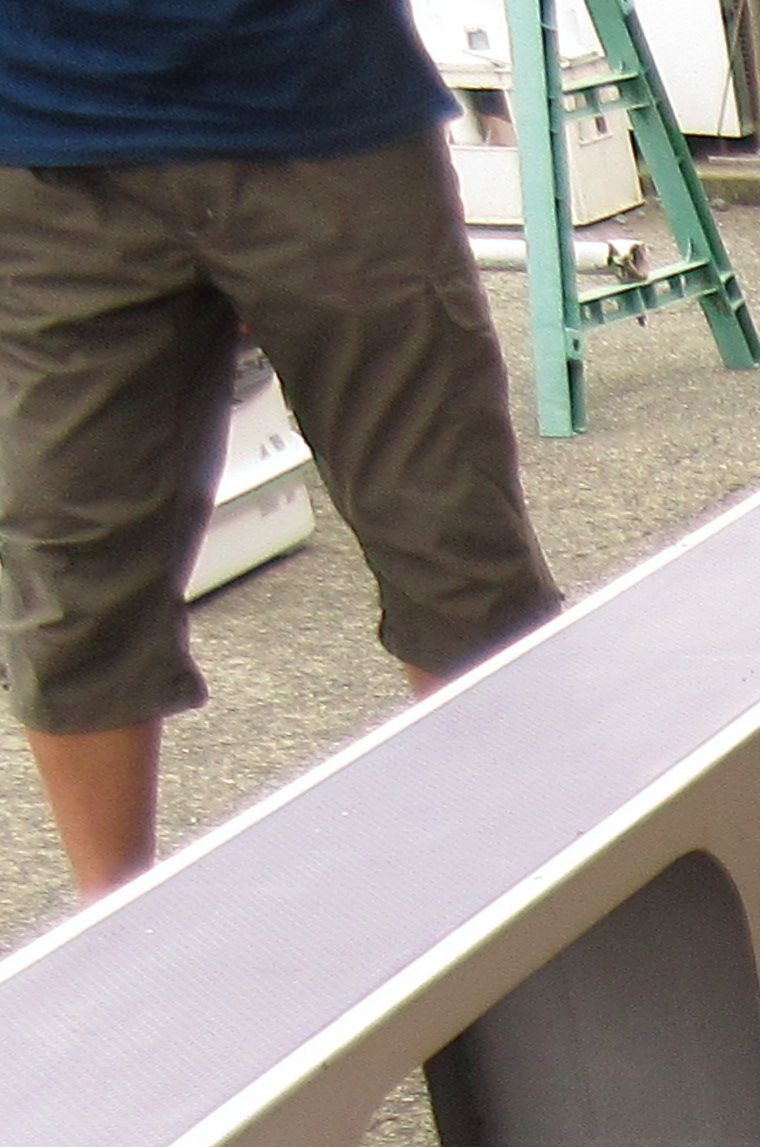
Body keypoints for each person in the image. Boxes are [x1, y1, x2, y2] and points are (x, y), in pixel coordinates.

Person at [2, 0, 561, 899]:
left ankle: (521, 903)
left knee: (451, 537)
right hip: (46, 138)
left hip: (327, 108)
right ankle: (114, 933)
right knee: (71, 571)